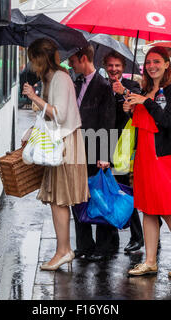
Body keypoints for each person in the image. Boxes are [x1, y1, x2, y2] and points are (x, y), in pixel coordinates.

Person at [124, 46, 171, 279]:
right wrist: (130, 108)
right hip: (145, 155)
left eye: (157, 61)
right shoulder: (146, 89)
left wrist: (145, 102)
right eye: (148, 62)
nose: (152, 66)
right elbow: (142, 121)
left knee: (168, 209)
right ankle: (149, 261)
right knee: (148, 209)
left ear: (167, 64)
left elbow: (167, 121)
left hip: (164, 157)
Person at [22, 38, 90, 271]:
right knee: (56, 200)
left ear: (41, 59)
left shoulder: (60, 78)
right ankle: (64, 249)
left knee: (59, 200)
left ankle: (64, 251)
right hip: (59, 141)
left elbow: (58, 115)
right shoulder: (52, 78)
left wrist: (34, 97)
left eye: (33, 60)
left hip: (64, 144)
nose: (31, 66)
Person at [68, 45, 118, 262]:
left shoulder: (103, 85)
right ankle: (84, 245)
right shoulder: (77, 82)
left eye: (73, 60)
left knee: (100, 198)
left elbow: (109, 122)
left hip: (96, 150)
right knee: (79, 198)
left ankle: (105, 246)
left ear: (84, 58)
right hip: (77, 150)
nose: (70, 64)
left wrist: (105, 155)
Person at [103, 50, 144, 253]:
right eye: (110, 65)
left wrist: (124, 95)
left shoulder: (132, 86)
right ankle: (111, 240)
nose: (114, 69)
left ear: (123, 67)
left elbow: (139, 107)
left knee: (125, 192)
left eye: (117, 65)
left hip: (124, 147)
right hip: (103, 144)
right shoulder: (102, 86)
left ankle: (137, 237)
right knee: (108, 191)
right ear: (105, 66)